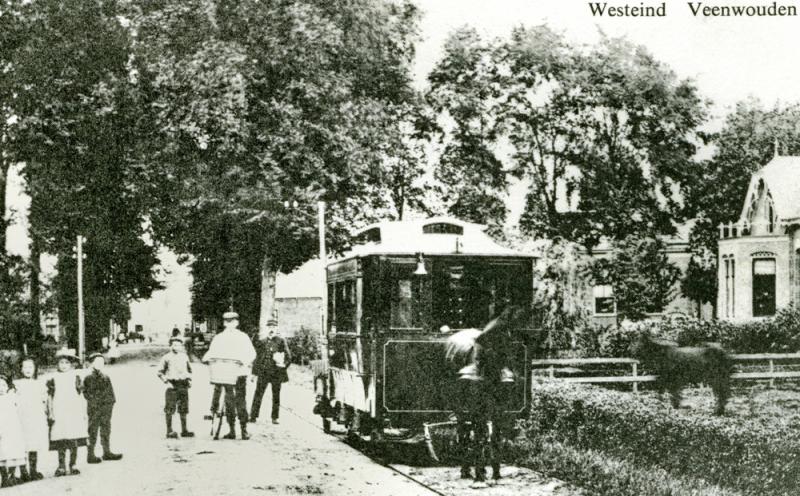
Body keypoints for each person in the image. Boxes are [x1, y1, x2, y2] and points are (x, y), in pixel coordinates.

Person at [202, 311, 256, 440]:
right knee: (229, 401)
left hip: (239, 373)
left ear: (237, 323)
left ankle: (244, 430)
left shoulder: (243, 337)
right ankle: (231, 430)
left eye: (232, 322)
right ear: (224, 323)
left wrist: (243, 362)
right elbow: (211, 352)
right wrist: (207, 358)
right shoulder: (219, 337)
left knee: (241, 401)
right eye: (227, 322)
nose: (230, 324)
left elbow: (251, 353)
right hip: (225, 374)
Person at [46, 348, 88, 477]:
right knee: (61, 439)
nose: (64, 366)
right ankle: (61, 465)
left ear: (71, 364)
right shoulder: (53, 378)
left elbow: (81, 395)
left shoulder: (76, 377)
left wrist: (83, 412)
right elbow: (49, 397)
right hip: (59, 412)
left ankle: (73, 464)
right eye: (61, 363)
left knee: (73, 438)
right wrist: (51, 412)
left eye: (67, 363)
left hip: (73, 411)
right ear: (57, 364)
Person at [83, 353, 123, 463]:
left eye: (101, 362)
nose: (99, 364)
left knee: (106, 429)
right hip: (94, 408)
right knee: (93, 430)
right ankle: (90, 454)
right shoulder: (88, 377)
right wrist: (94, 405)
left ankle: (107, 452)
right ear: (91, 363)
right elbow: (87, 394)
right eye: (96, 362)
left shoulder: (105, 377)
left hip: (106, 407)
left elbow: (111, 393)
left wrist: (110, 404)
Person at [14, 358, 48, 482]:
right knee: (23, 444)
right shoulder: (17, 384)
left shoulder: (39, 383)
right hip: (21, 417)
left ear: (35, 369)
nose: (28, 370)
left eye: (30, 367)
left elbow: (44, 400)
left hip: (35, 417)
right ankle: (24, 472)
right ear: (21, 369)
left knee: (34, 443)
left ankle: (33, 470)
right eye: (25, 367)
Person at [250, 328, 291, 424]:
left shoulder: (281, 341)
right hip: (263, 372)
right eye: (269, 327)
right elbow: (257, 358)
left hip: (276, 373)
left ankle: (275, 417)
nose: (271, 329)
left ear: (276, 329)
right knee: (258, 393)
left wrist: (283, 365)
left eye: (273, 326)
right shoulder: (262, 342)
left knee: (276, 395)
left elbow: (288, 356)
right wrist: (254, 373)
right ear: (266, 329)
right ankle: (253, 416)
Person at [157, 337, 194, 439]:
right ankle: (169, 431)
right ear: (170, 346)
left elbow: (189, 370)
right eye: (174, 345)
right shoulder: (166, 357)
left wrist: (189, 379)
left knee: (184, 408)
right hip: (172, 385)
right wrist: (166, 381)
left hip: (183, 384)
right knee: (170, 408)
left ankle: (184, 430)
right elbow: (159, 372)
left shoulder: (184, 357)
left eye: (179, 345)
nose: (176, 347)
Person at [0, 373, 27, 487]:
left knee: (13, 452)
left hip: (12, 430)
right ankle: (4, 476)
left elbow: (19, 407)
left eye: (3, 385)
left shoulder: (12, 397)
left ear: (8, 387)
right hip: (1, 431)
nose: (1, 388)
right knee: (2, 454)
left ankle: (11, 475)